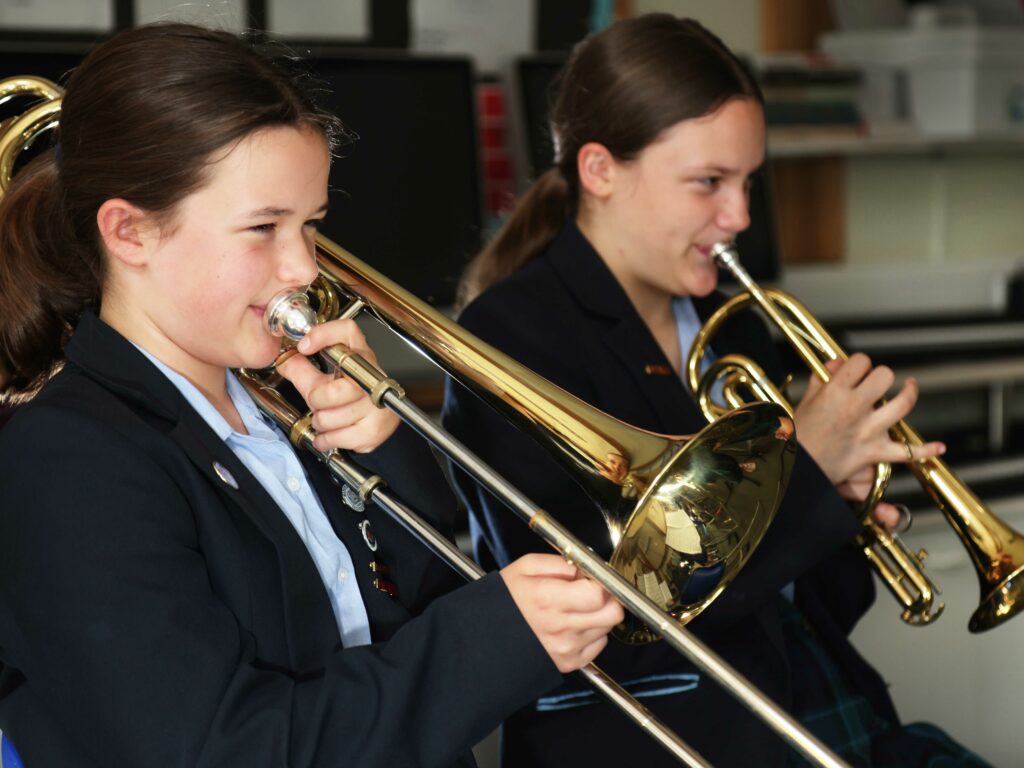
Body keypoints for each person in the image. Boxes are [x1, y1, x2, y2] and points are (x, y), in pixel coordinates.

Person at [0, 23, 626, 768]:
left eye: (312, 225)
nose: (302, 266)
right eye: (263, 228)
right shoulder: (68, 458)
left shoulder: (286, 403)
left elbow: (422, 609)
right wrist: (491, 640)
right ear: (130, 232)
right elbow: (227, 750)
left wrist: (388, 447)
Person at [442, 14, 991, 768]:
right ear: (600, 171)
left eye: (747, 184)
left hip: (813, 710)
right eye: (708, 183)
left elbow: (809, 611)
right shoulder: (512, 334)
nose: (738, 219)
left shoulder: (731, 328)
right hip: (660, 742)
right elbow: (616, 620)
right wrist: (806, 475)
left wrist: (846, 511)